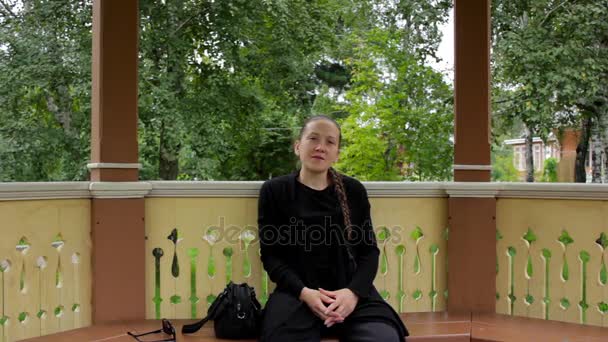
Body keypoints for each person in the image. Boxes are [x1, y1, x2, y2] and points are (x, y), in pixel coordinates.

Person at [257, 115, 409, 342]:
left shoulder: (353, 191)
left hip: (352, 295)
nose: (320, 147)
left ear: (337, 153)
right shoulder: (275, 191)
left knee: (383, 338)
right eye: (313, 139)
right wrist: (305, 293)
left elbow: (369, 252)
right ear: (298, 146)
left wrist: (352, 293)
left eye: (330, 142)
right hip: (297, 295)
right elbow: (271, 257)